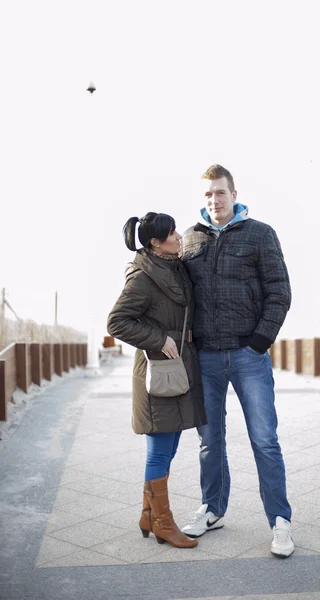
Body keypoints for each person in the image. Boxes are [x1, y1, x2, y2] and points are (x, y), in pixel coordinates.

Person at [180, 165, 294, 557]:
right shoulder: (189, 239)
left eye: (220, 192)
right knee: (209, 442)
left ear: (234, 193)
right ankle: (212, 509)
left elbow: (280, 290)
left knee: (265, 440)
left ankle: (280, 521)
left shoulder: (261, 234)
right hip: (206, 358)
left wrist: (260, 341)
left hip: (249, 355)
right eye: (209, 194)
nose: (215, 200)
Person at [107, 212, 207, 549]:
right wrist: (156, 339)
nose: (178, 236)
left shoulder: (172, 267)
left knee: (170, 444)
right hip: (158, 371)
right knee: (160, 448)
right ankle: (163, 522)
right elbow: (117, 322)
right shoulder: (143, 277)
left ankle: (149, 514)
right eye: (171, 233)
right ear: (154, 242)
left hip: (177, 369)